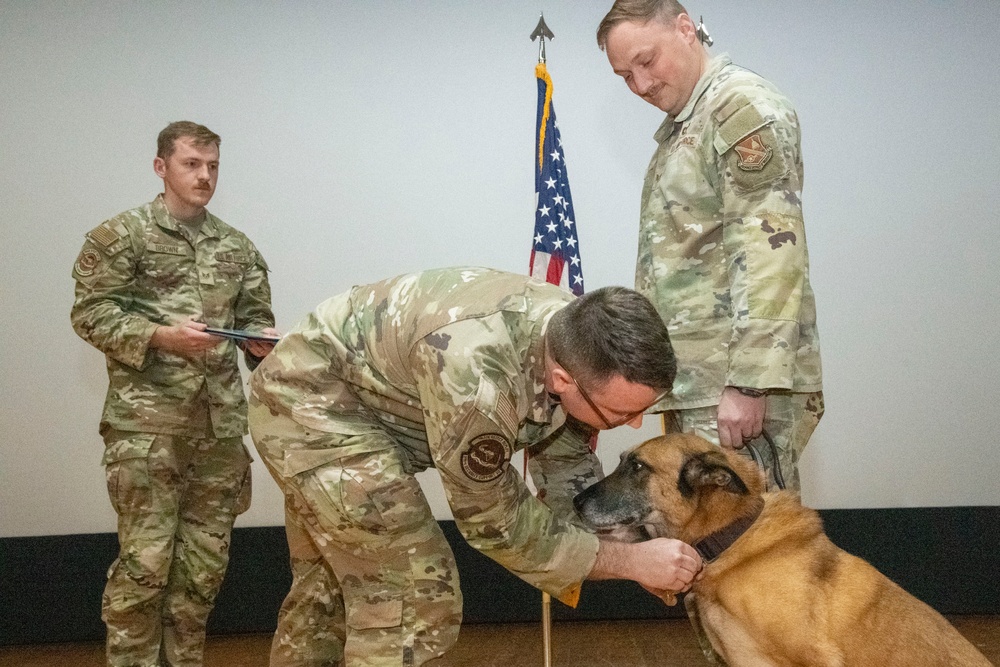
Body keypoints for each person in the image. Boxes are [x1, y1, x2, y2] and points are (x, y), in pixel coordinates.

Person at [248, 267, 702, 666]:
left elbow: (563, 456)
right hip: (311, 409)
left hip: (360, 399)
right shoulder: (479, 387)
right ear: (565, 380)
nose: (636, 423)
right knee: (413, 593)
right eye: (620, 414)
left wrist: (632, 548)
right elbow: (494, 523)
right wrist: (627, 562)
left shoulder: (576, 336)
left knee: (332, 583)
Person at [71, 121, 278, 667]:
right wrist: (160, 336)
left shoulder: (237, 247)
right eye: (192, 164)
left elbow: (255, 322)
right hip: (148, 430)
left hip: (218, 435)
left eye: (212, 165)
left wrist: (261, 343)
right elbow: (90, 314)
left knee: (202, 574)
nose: (205, 175)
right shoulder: (122, 236)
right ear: (161, 167)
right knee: (144, 568)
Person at [596, 1, 824, 491]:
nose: (640, 85)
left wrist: (749, 382)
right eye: (624, 75)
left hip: (733, 384)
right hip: (698, 381)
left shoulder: (738, 109)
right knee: (710, 555)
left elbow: (771, 248)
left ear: (685, 29)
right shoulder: (689, 122)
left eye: (646, 60)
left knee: (755, 551)